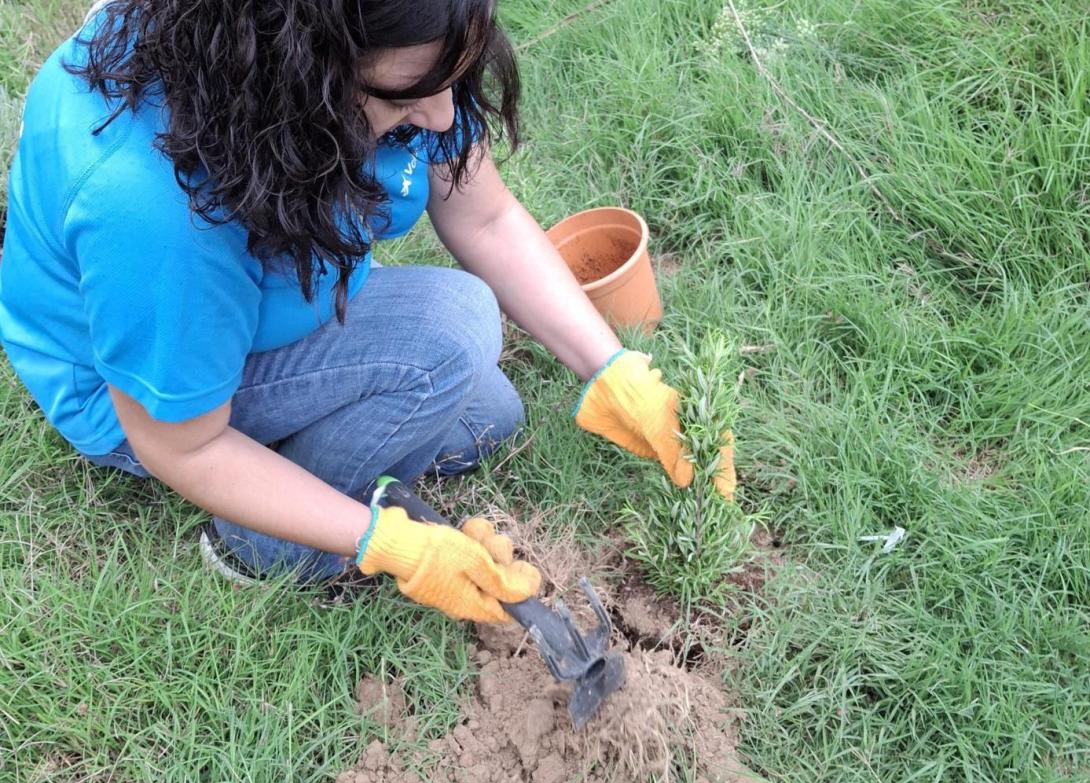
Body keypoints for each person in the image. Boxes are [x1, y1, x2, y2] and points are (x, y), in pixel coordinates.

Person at [0, 0, 735, 623]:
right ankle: (258, 546)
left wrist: (613, 369)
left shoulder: (397, 48)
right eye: (403, 93)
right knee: (450, 333)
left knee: (488, 414)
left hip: (260, 313)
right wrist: (387, 543)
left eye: (450, 76)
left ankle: (299, 477)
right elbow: (178, 444)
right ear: (296, 70)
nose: (444, 112)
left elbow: (483, 219)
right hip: (150, 397)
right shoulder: (153, 203)